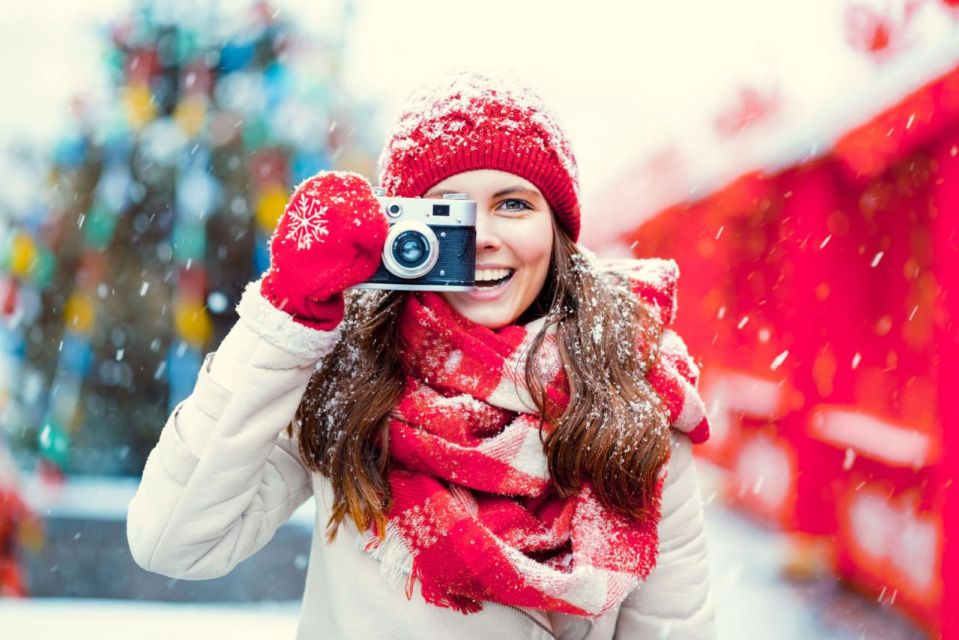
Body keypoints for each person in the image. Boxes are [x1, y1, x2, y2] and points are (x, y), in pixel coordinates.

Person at [127, 68, 716, 639]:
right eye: (449, 212)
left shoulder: (633, 398)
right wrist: (285, 319)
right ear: (401, 228)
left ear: (558, 231)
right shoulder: (350, 373)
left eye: (514, 204)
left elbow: (673, 628)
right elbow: (173, 540)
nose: (482, 236)